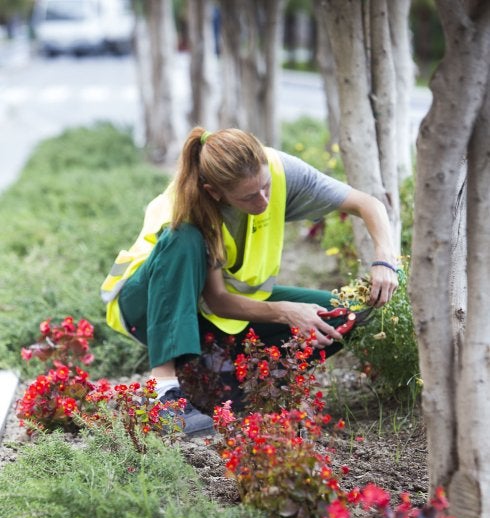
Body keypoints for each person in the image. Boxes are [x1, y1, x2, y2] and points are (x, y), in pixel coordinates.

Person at [101, 126, 399, 436]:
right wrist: (286, 311)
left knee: (339, 315)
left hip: (209, 312)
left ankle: (231, 389)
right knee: (183, 237)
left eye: (266, 187)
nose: (264, 200)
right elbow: (217, 299)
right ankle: (162, 392)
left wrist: (385, 261)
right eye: (248, 196)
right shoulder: (186, 207)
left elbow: (369, 204)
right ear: (214, 192)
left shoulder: (278, 170)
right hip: (148, 305)